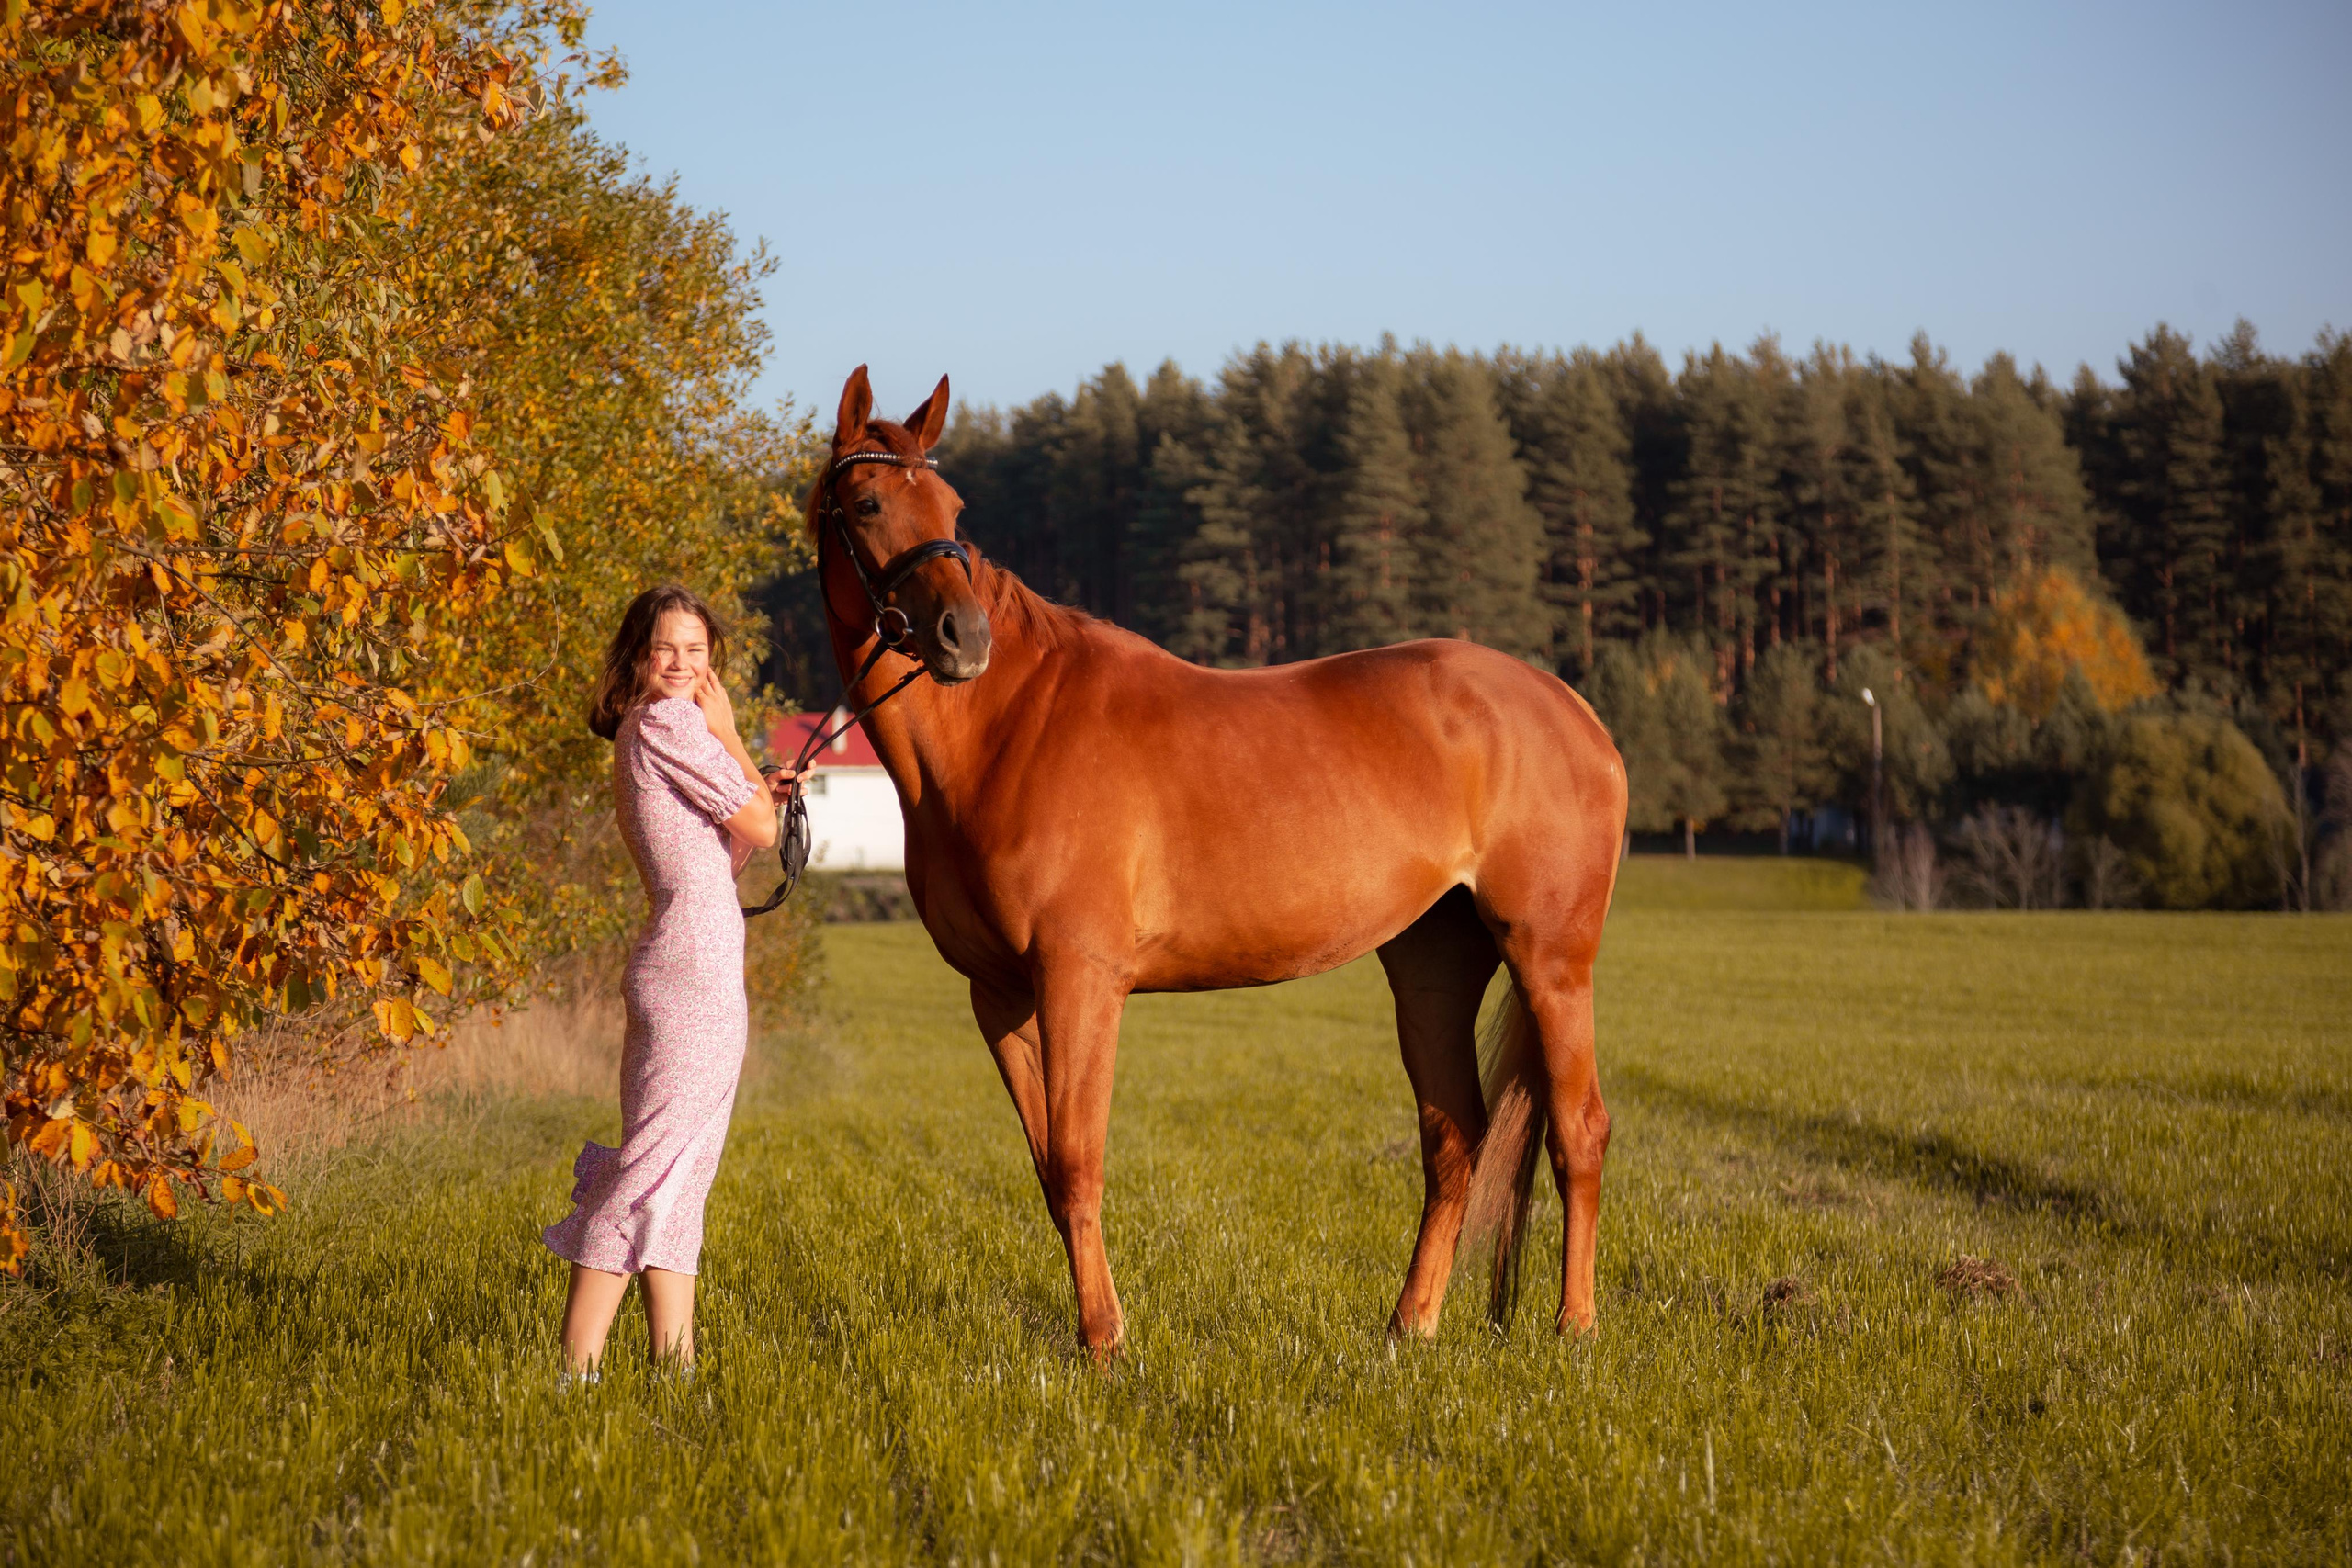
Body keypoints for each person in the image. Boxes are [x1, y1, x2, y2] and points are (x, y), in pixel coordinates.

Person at [543, 584, 796, 1380]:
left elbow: (726, 854)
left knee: (677, 1181)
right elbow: (759, 823)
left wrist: (755, 792)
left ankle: (674, 1372)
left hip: (690, 959)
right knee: (648, 1173)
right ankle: (573, 1373)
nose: (683, 664)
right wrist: (735, 744)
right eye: (666, 650)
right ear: (639, 658)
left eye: (696, 649)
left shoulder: (642, 730)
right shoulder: (671, 721)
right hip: (693, 975)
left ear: (711, 655)